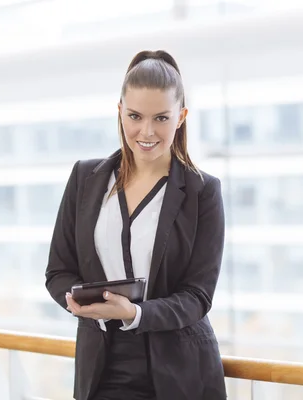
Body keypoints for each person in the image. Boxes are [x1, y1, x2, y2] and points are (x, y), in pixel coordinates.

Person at [45, 49, 227, 400]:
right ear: (120, 112)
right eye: (135, 116)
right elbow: (58, 272)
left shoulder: (202, 191)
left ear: (181, 117)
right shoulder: (86, 178)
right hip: (102, 369)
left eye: (161, 118)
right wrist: (83, 302)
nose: (146, 131)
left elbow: (198, 296)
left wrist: (135, 313)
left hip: (180, 373)